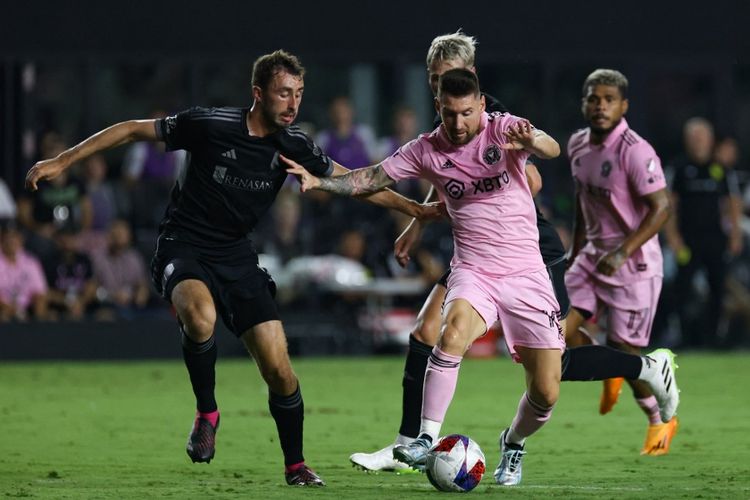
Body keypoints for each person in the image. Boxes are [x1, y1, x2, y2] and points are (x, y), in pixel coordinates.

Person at [25, 50, 438, 487]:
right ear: (258, 94)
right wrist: (62, 161)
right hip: (182, 245)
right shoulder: (209, 124)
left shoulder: (293, 145)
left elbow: (355, 181)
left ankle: (295, 466)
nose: (293, 103)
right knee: (200, 317)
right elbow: (130, 130)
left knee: (279, 369)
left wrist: (415, 208)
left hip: (237, 257)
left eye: (298, 93)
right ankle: (207, 412)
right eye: (284, 93)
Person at [284, 68, 679, 486]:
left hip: (528, 272)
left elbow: (550, 147)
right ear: (438, 107)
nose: (458, 123)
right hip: (474, 269)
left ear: (481, 107)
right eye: (450, 114)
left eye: (467, 113)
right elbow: (371, 177)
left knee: (547, 388)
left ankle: (513, 442)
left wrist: (532, 141)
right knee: (449, 332)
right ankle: (424, 438)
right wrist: (320, 181)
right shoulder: (425, 148)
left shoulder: (502, 129)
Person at [564, 69, 676, 455]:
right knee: (555, 332)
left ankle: (660, 420)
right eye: (594, 98)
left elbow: (662, 208)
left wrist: (624, 250)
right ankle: (606, 363)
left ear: (624, 105)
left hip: (634, 265)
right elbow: (583, 202)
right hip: (593, 257)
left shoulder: (635, 150)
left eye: (609, 99)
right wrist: (575, 251)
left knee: (626, 354)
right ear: (583, 103)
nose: (600, 106)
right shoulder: (577, 144)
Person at [664, 119, 743, 348]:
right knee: (683, 289)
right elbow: (669, 205)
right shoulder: (678, 168)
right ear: (687, 141)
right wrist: (673, 238)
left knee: (718, 288)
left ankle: (714, 339)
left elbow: (733, 202)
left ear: (710, 141)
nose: (698, 142)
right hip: (687, 241)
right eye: (693, 138)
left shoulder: (721, 170)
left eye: (701, 137)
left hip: (715, 239)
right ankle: (685, 338)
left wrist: (735, 235)